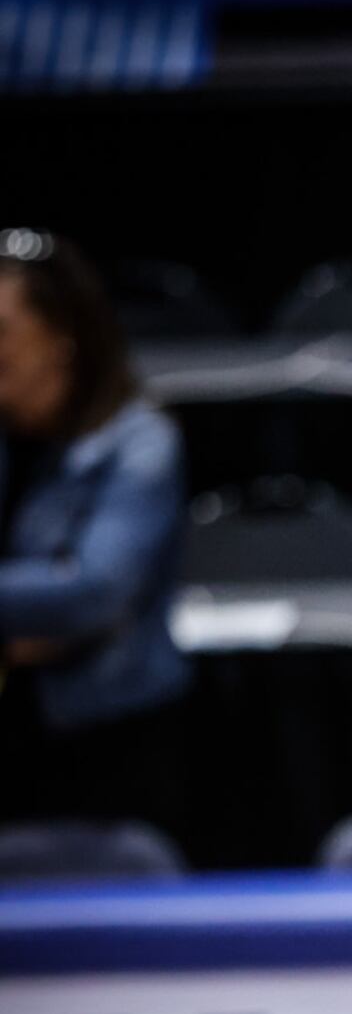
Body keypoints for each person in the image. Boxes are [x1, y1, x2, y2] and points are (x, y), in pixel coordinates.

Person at [0, 227, 190, 832]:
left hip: (108, 733)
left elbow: (92, 592)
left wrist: (48, 604)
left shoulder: (140, 445)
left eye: (1, 332)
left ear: (61, 338)